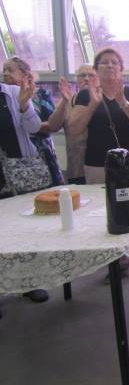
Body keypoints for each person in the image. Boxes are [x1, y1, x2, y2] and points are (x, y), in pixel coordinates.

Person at [68, 47, 129, 281]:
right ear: (96, 70)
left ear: (121, 70)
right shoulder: (85, 96)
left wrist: (123, 102)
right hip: (98, 163)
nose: (109, 66)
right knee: (104, 212)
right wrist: (93, 104)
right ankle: (117, 262)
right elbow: (74, 128)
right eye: (104, 62)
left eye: (114, 62)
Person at [0, 74, 49, 304]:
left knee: (23, 229)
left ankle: (30, 281)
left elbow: (35, 127)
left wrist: (24, 105)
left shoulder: (10, 92)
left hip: (18, 172)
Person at [3, 57, 64, 186]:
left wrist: (24, 123)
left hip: (41, 151)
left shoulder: (40, 94)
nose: (5, 73)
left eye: (10, 70)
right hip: (14, 159)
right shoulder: (4, 97)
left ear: (24, 74)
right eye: (4, 70)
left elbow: (52, 124)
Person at [45, 66, 96, 185]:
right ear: (76, 80)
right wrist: (64, 101)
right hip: (76, 167)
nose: (86, 79)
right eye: (82, 75)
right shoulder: (70, 100)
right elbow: (53, 126)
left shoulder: (103, 100)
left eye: (91, 75)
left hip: (99, 165)